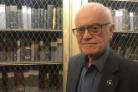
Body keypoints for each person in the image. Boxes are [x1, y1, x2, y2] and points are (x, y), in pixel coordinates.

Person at [66, 2, 138, 92]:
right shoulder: (73, 63)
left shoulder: (133, 73)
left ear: (111, 30)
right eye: (80, 30)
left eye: (94, 28)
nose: (86, 36)